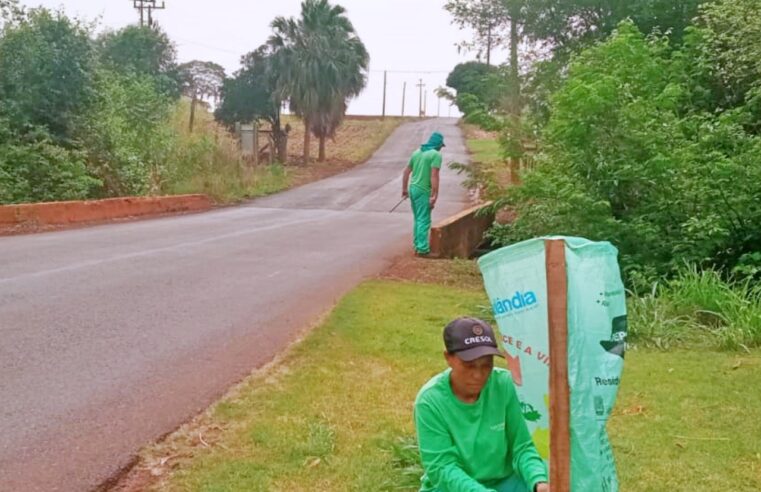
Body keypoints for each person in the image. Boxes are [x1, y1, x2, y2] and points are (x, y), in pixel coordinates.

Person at [414, 317, 550, 492]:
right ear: (448, 358)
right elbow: (442, 468)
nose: (478, 375)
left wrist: (539, 481)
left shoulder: (506, 385)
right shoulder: (430, 401)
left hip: (504, 483)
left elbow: (523, 446)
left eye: (486, 365)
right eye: (469, 366)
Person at [402, 131, 445, 256]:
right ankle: (422, 249)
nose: (441, 148)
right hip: (423, 190)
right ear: (438, 145)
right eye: (441, 146)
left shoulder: (417, 152)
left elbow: (406, 172)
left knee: (418, 218)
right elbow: (434, 176)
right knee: (424, 220)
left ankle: (417, 245)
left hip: (413, 188)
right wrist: (434, 195)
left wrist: (404, 189)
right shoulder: (435, 155)